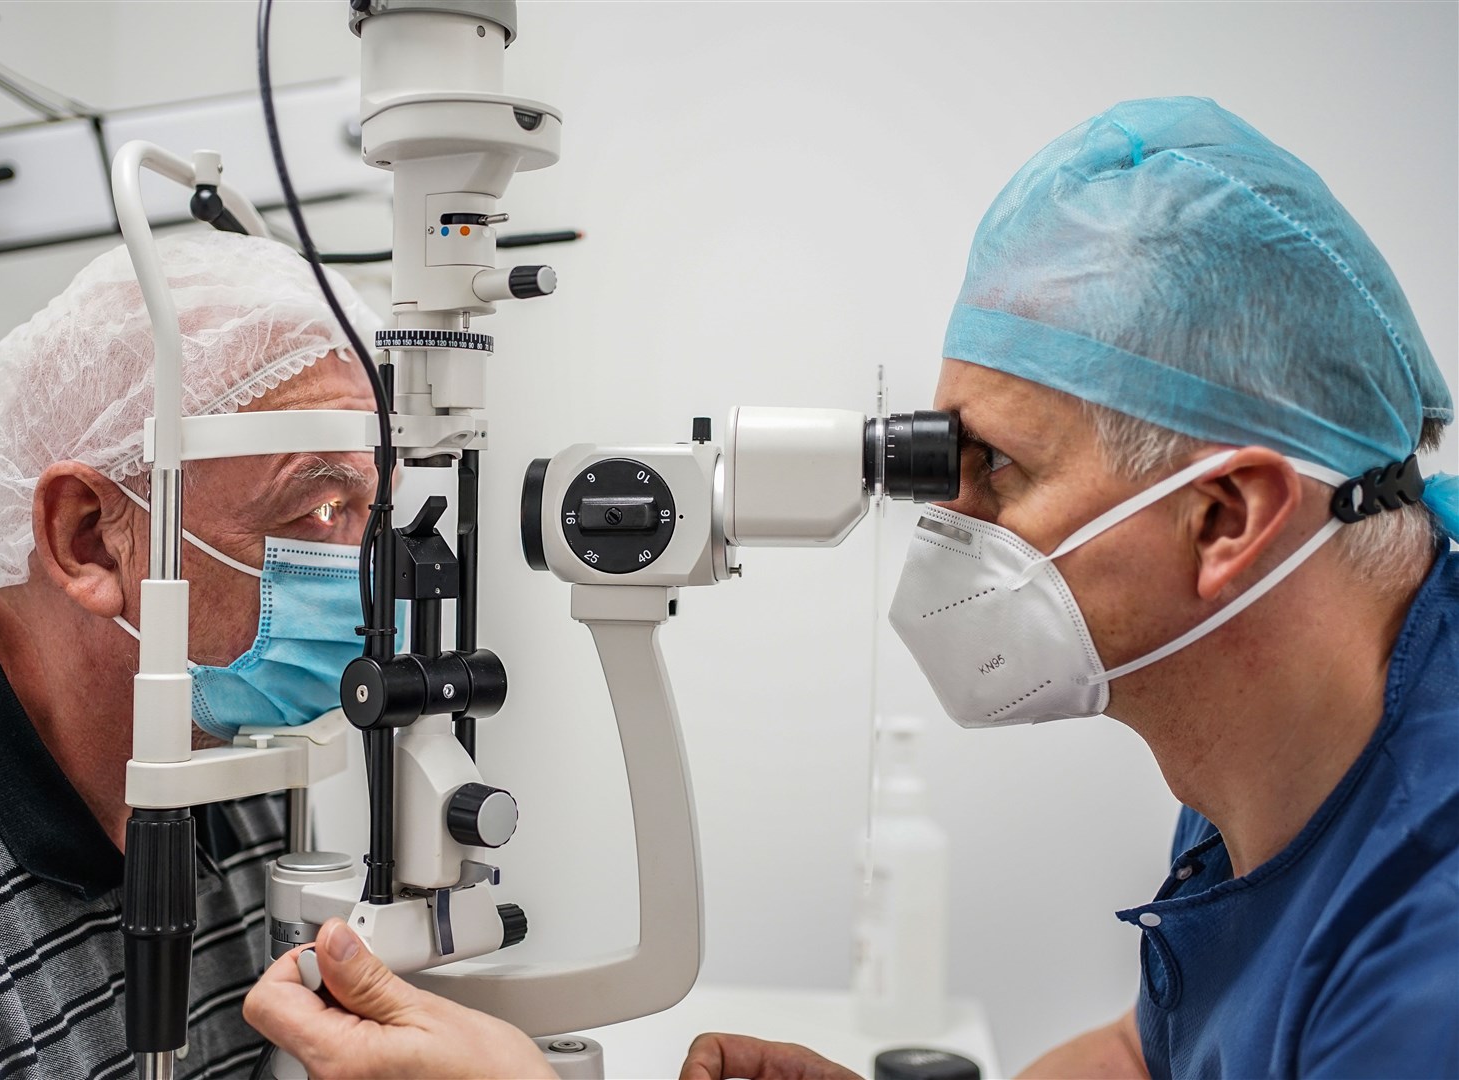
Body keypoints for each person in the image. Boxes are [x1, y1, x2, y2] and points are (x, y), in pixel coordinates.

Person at [242, 97, 1459, 1078]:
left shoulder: (1428, 977)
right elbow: (1150, 1058)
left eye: (997, 469)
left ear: (1225, 519)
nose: (946, 517)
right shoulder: (1292, 737)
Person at [0, 231, 385, 1077]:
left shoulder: (226, 760)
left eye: (365, 517)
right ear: (88, 538)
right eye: (316, 511)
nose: (357, 580)